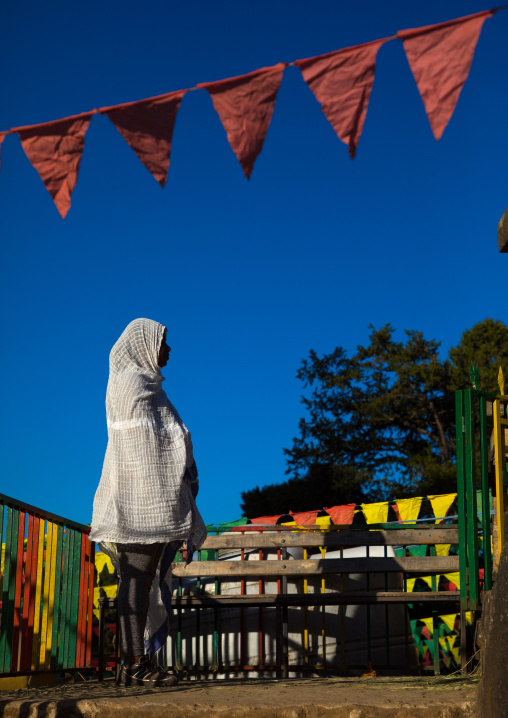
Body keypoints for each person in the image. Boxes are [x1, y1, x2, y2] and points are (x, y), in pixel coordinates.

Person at [90, 318, 206, 687]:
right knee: (137, 580)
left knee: (140, 579)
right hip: (138, 501)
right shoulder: (131, 385)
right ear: (144, 346)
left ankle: (134, 665)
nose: (169, 350)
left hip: (152, 501)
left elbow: (165, 439)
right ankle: (134, 663)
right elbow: (142, 446)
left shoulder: (146, 386)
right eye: (163, 343)